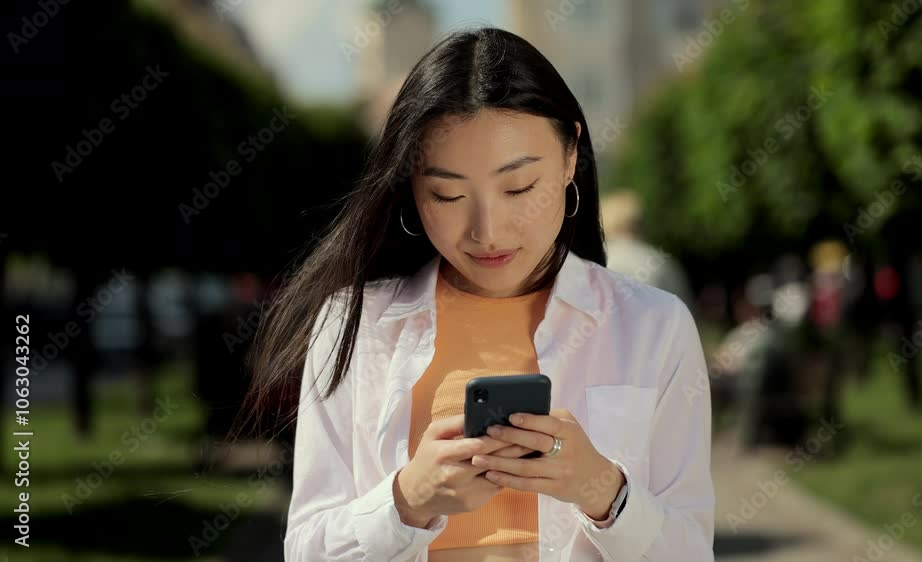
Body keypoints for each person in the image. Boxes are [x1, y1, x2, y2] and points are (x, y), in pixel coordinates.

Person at [240, 27, 715, 562]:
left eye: (519, 188)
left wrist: (602, 490)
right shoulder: (355, 323)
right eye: (448, 194)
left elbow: (691, 551)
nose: (487, 231)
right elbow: (306, 550)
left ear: (569, 157)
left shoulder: (653, 325)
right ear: (411, 188)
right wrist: (405, 501)